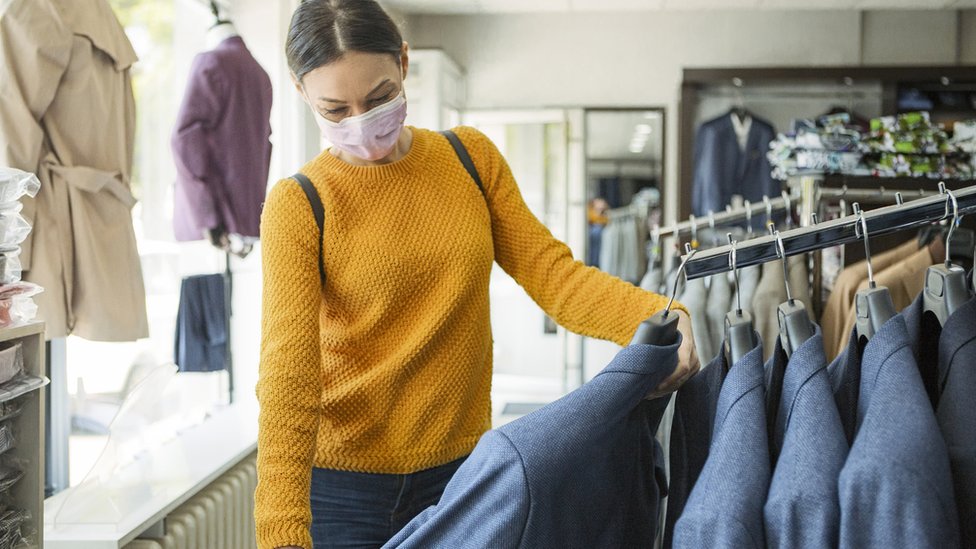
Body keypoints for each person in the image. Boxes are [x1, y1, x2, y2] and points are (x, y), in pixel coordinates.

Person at [255, 2, 699, 548]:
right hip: (343, 492)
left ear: (404, 62)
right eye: (335, 110)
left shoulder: (471, 160)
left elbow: (554, 276)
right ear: (302, 94)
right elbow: (288, 381)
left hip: (462, 478)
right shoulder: (299, 205)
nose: (362, 126)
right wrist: (280, 536)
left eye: (378, 99)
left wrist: (659, 314)